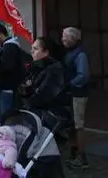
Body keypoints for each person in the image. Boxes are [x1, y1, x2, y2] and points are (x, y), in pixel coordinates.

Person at [0, 24, 28, 125]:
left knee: (5, 120)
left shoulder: (10, 47)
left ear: (0, 35)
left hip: (6, 88)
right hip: (0, 89)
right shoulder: (4, 47)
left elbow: (7, 66)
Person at [62, 26, 90, 170]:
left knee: (78, 125)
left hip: (78, 94)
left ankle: (82, 157)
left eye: (65, 36)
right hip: (71, 93)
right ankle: (74, 153)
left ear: (73, 38)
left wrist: (69, 85)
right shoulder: (71, 53)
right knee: (72, 125)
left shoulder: (80, 55)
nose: (63, 39)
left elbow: (83, 76)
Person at [19, 37, 68, 115]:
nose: (31, 51)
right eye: (31, 48)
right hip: (38, 114)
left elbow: (42, 97)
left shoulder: (54, 70)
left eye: (35, 49)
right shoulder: (35, 68)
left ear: (46, 52)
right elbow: (23, 88)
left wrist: (28, 92)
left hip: (51, 118)